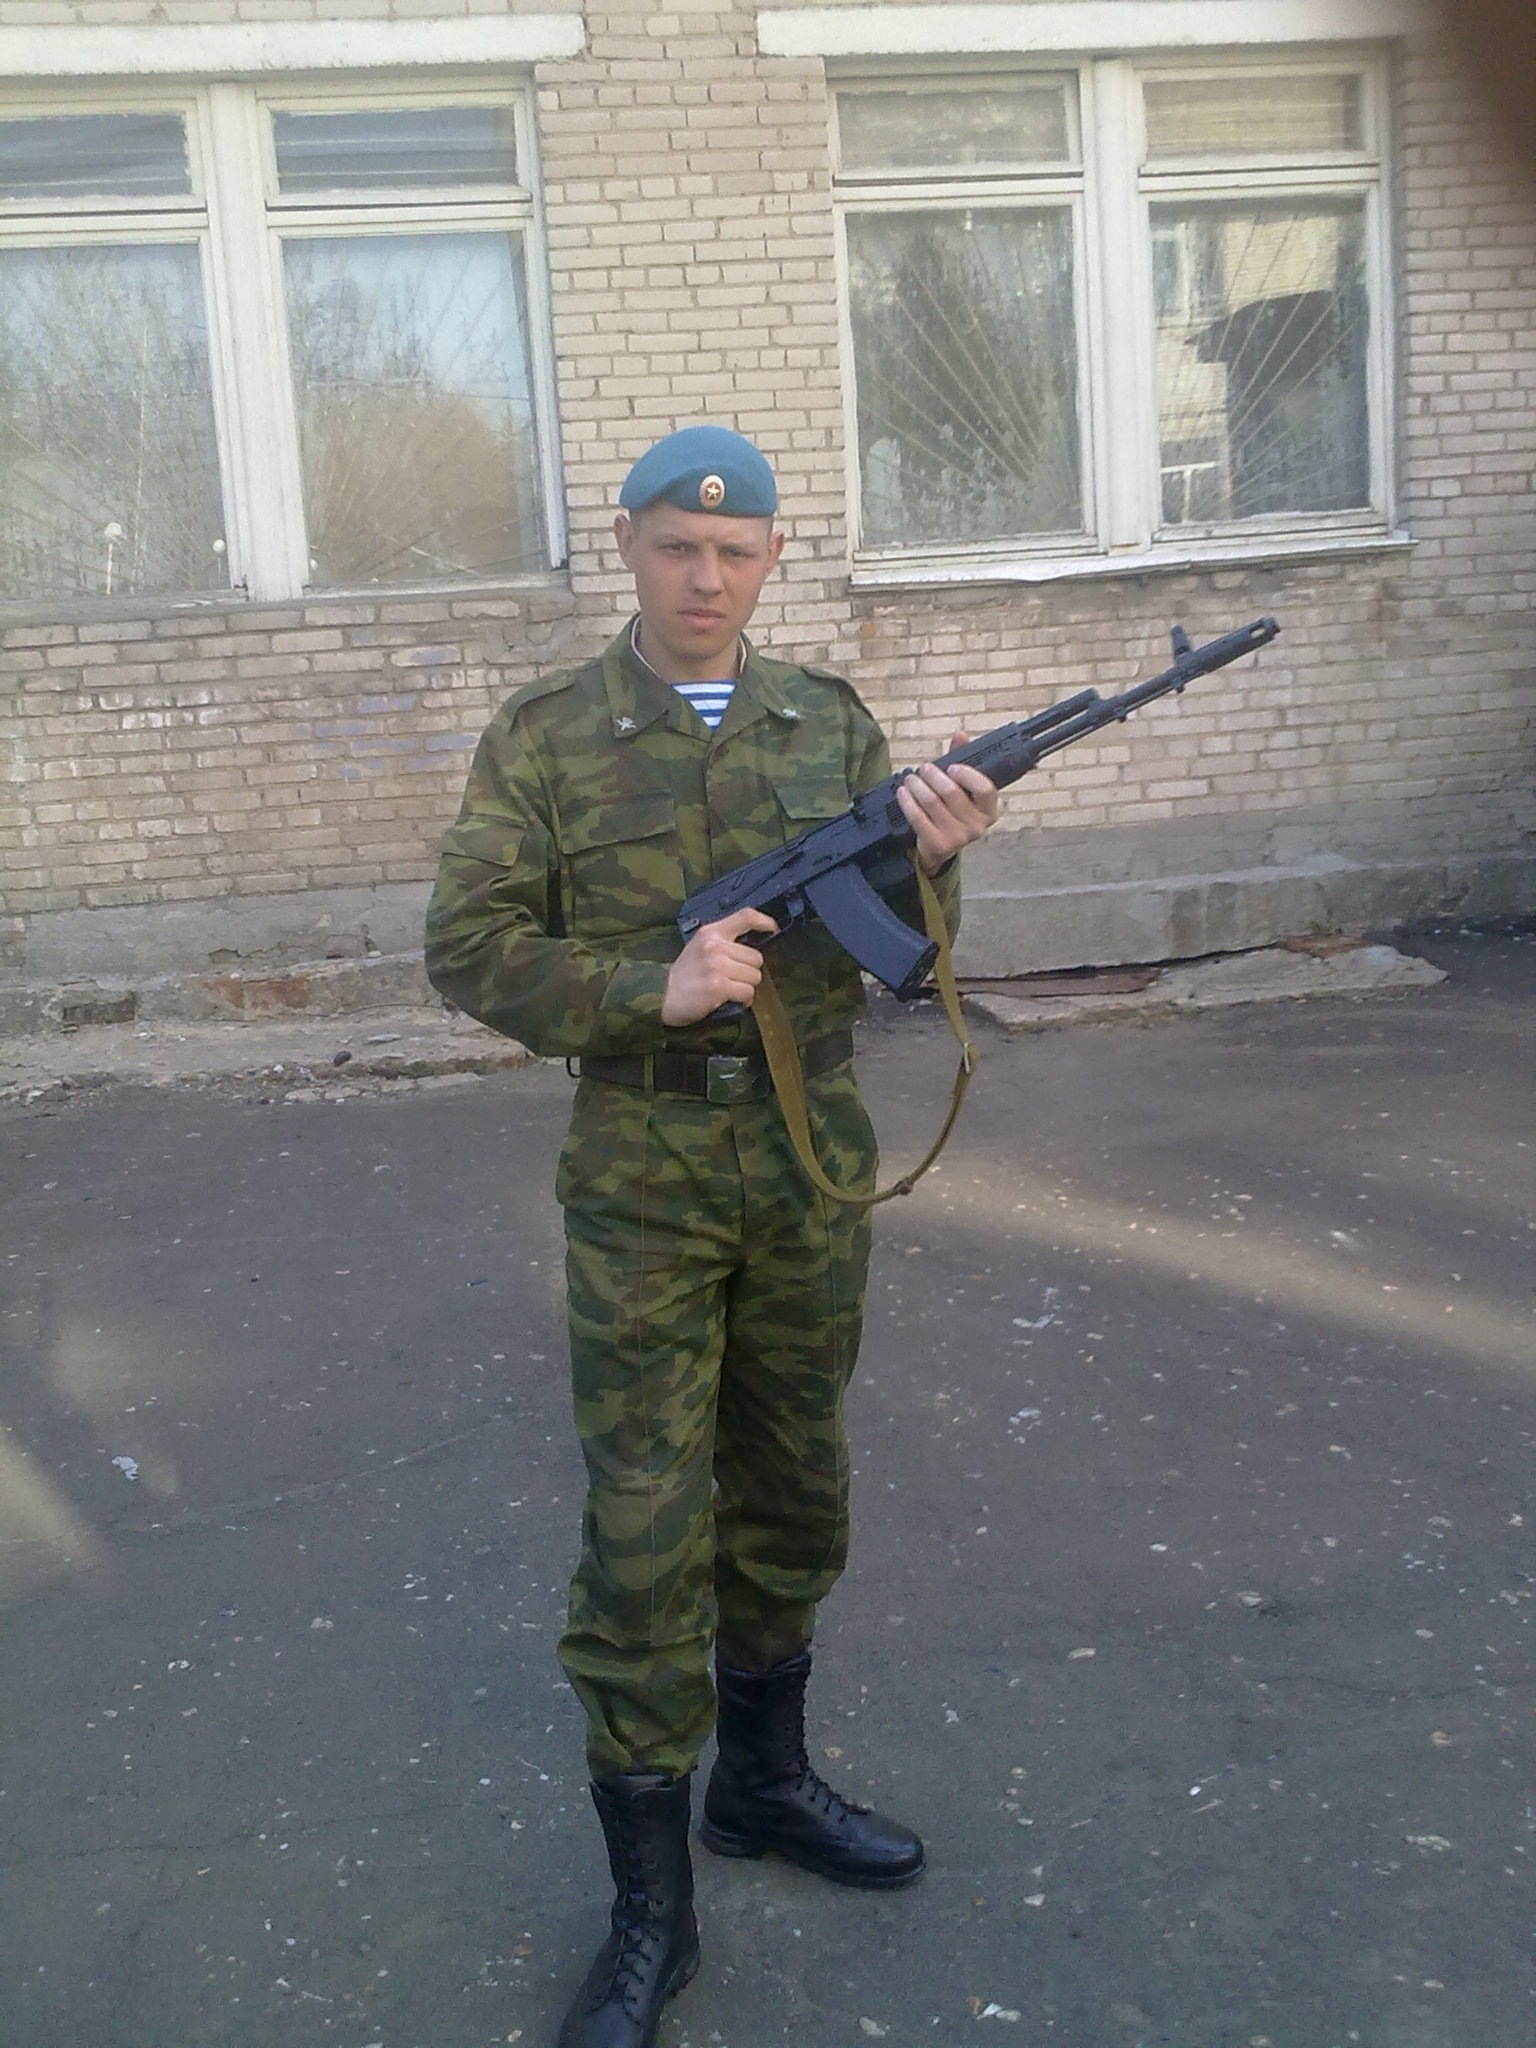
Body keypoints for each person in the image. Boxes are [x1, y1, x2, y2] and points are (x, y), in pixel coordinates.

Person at [424, 425, 1000, 2048]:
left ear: (771, 560)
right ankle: (650, 1912)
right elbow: (465, 943)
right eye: (679, 545)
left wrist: (933, 860)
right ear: (627, 544)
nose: (706, 576)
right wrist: (645, 989)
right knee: (645, 1526)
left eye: (736, 552)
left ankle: (763, 1783)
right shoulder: (545, 735)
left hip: (809, 1159)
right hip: (645, 1170)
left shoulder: (828, 721)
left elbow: (898, 950)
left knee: (796, 1479)